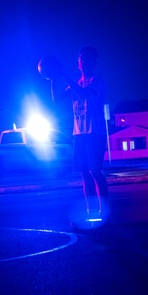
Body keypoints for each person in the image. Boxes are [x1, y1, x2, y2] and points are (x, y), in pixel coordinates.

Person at [51, 45, 109, 221]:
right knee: (84, 173)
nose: (83, 61)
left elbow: (83, 94)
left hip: (95, 133)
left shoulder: (98, 81)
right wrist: (52, 78)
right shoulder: (76, 83)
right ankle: (91, 211)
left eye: (86, 58)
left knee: (95, 171)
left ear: (93, 61)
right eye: (80, 58)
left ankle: (103, 212)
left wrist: (64, 75)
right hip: (79, 134)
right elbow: (56, 100)